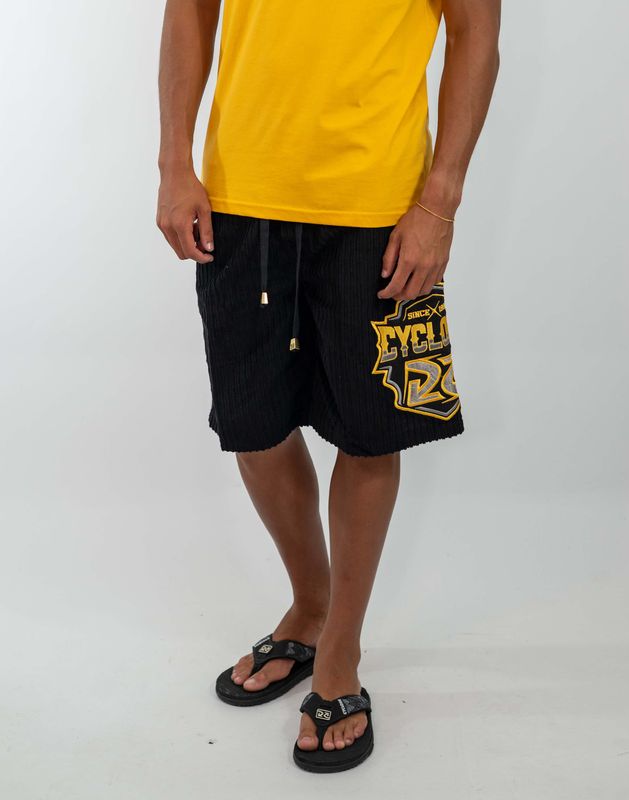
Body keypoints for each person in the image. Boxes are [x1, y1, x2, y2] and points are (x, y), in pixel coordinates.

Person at [157, 0, 501, 773]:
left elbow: (477, 30)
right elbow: (189, 10)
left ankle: (340, 648)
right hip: (239, 197)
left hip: (382, 207)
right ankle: (309, 606)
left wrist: (439, 202)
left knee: (370, 434)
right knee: (251, 427)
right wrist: (174, 162)